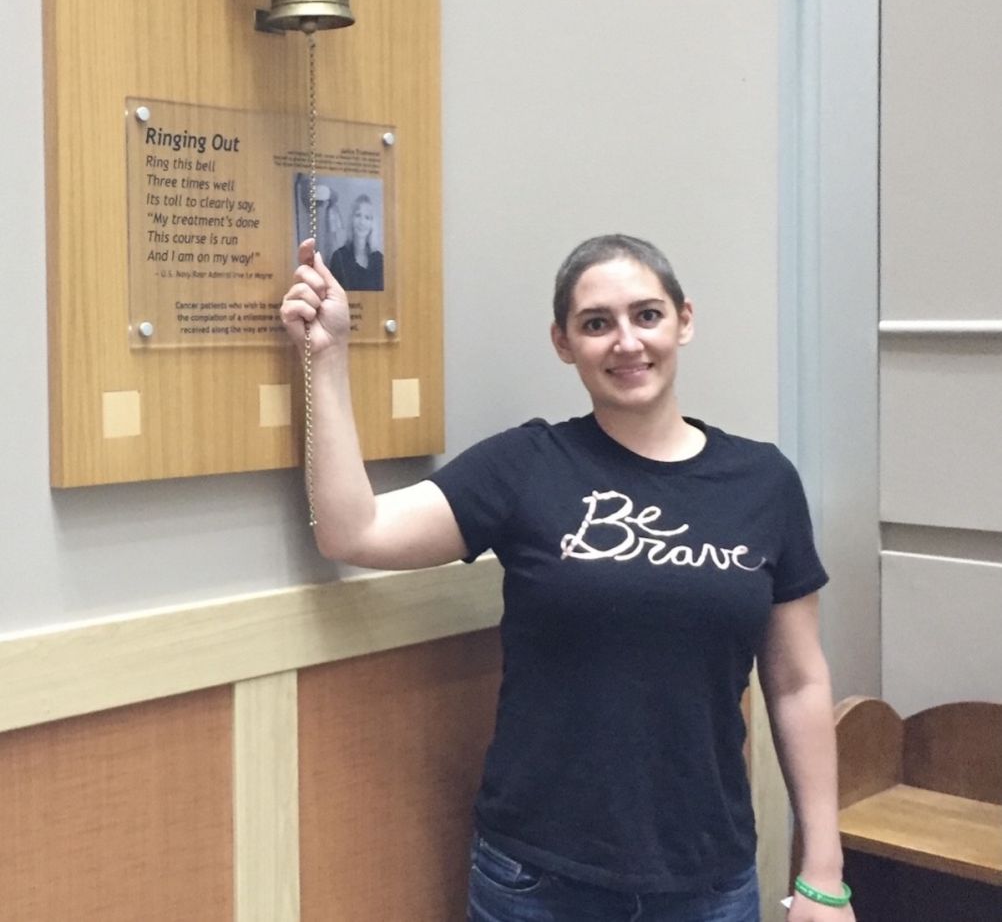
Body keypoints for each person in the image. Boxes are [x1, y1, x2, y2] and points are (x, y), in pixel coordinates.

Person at [280, 233, 855, 922]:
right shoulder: (529, 465)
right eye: (596, 324)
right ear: (563, 342)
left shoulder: (762, 482)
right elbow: (354, 531)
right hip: (537, 879)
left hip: (706, 878)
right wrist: (327, 355)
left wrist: (823, 872)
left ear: (684, 320)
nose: (626, 342)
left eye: (647, 315)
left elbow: (797, 682)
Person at [328, 193, 384, 291]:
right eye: (358, 215)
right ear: (351, 219)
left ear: (372, 224)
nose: (362, 222)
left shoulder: (380, 260)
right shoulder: (338, 258)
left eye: (367, 217)